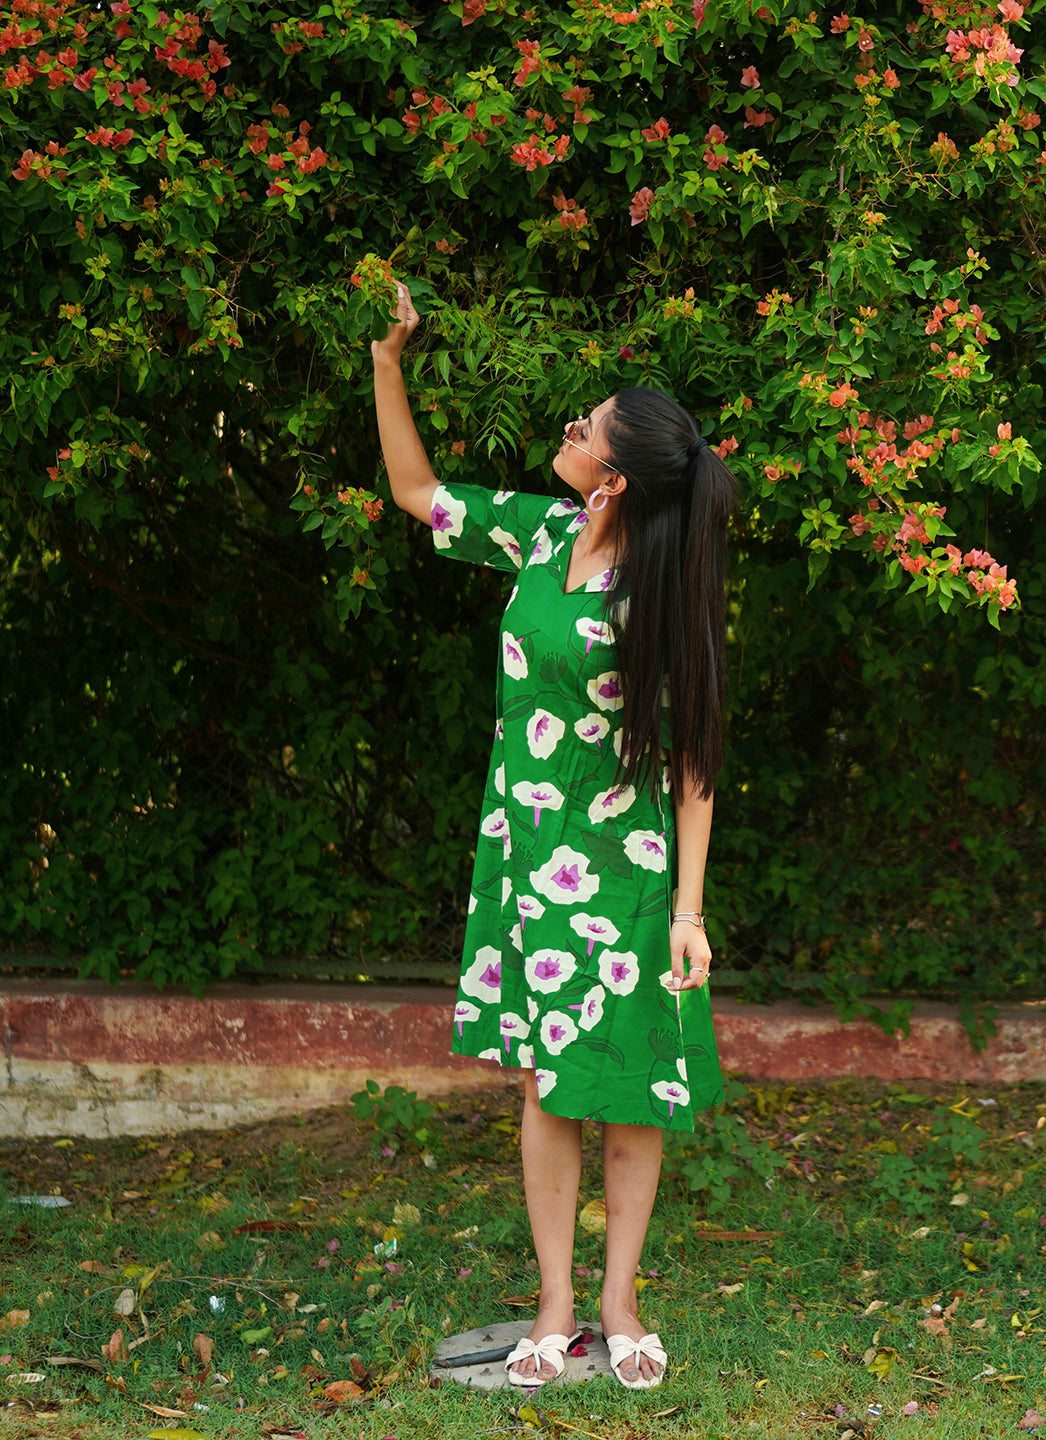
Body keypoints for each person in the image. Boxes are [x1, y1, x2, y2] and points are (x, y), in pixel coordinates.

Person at [372, 283, 736, 1391]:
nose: (569, 431)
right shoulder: (540, 533)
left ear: (618, 477)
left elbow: (692, 762)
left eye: (588, 430)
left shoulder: (655, 593)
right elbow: (417, 492)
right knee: (544, 1086)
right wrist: (390, 361)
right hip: (529, 858)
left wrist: (687, 912)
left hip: (623, 871)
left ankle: (620, 1298)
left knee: (620, 1084)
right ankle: (558, 1300)